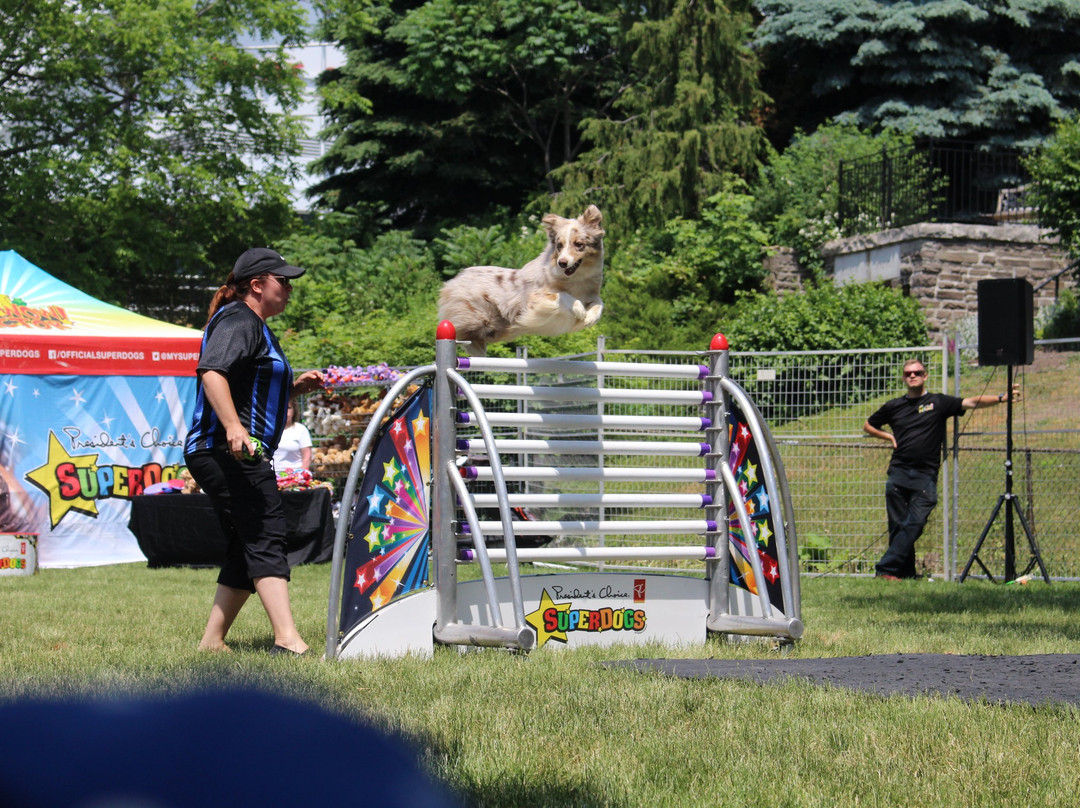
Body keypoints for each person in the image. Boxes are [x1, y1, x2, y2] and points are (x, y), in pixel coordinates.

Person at [184, 248, 325, 654]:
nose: (290, 287)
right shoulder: (237, 319)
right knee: (265, 531)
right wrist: (232, 426)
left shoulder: (257, 326)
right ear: (257, 285)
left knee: (248, 539)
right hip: (225, 449)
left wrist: (294, 389)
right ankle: (287, 638)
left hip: (233, 449)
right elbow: (212, 372)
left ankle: (212, 642)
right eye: (283, 280)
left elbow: (250, 389)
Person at [864, 358, 1020, 580]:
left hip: (925, 474)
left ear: (925, 375)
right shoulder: (893, 406)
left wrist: (1001, 398)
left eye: (917, 372)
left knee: (915, 522)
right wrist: (888, 436)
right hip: (898, 472)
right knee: (898, 526)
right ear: (903, 378)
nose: (912, 376)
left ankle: (886, 568)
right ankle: (903, 573)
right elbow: (868, 425)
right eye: (908, 373)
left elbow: (972, 402)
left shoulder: (938, 402)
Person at [273, 400, 313, 471]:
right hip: (271, 476)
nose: (285, 411)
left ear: (294, 410)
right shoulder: (269, 430)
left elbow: (307, 457)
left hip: (295, 477)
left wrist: (300, 475)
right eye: (282, 408)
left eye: (288, 408)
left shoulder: (301, 429)